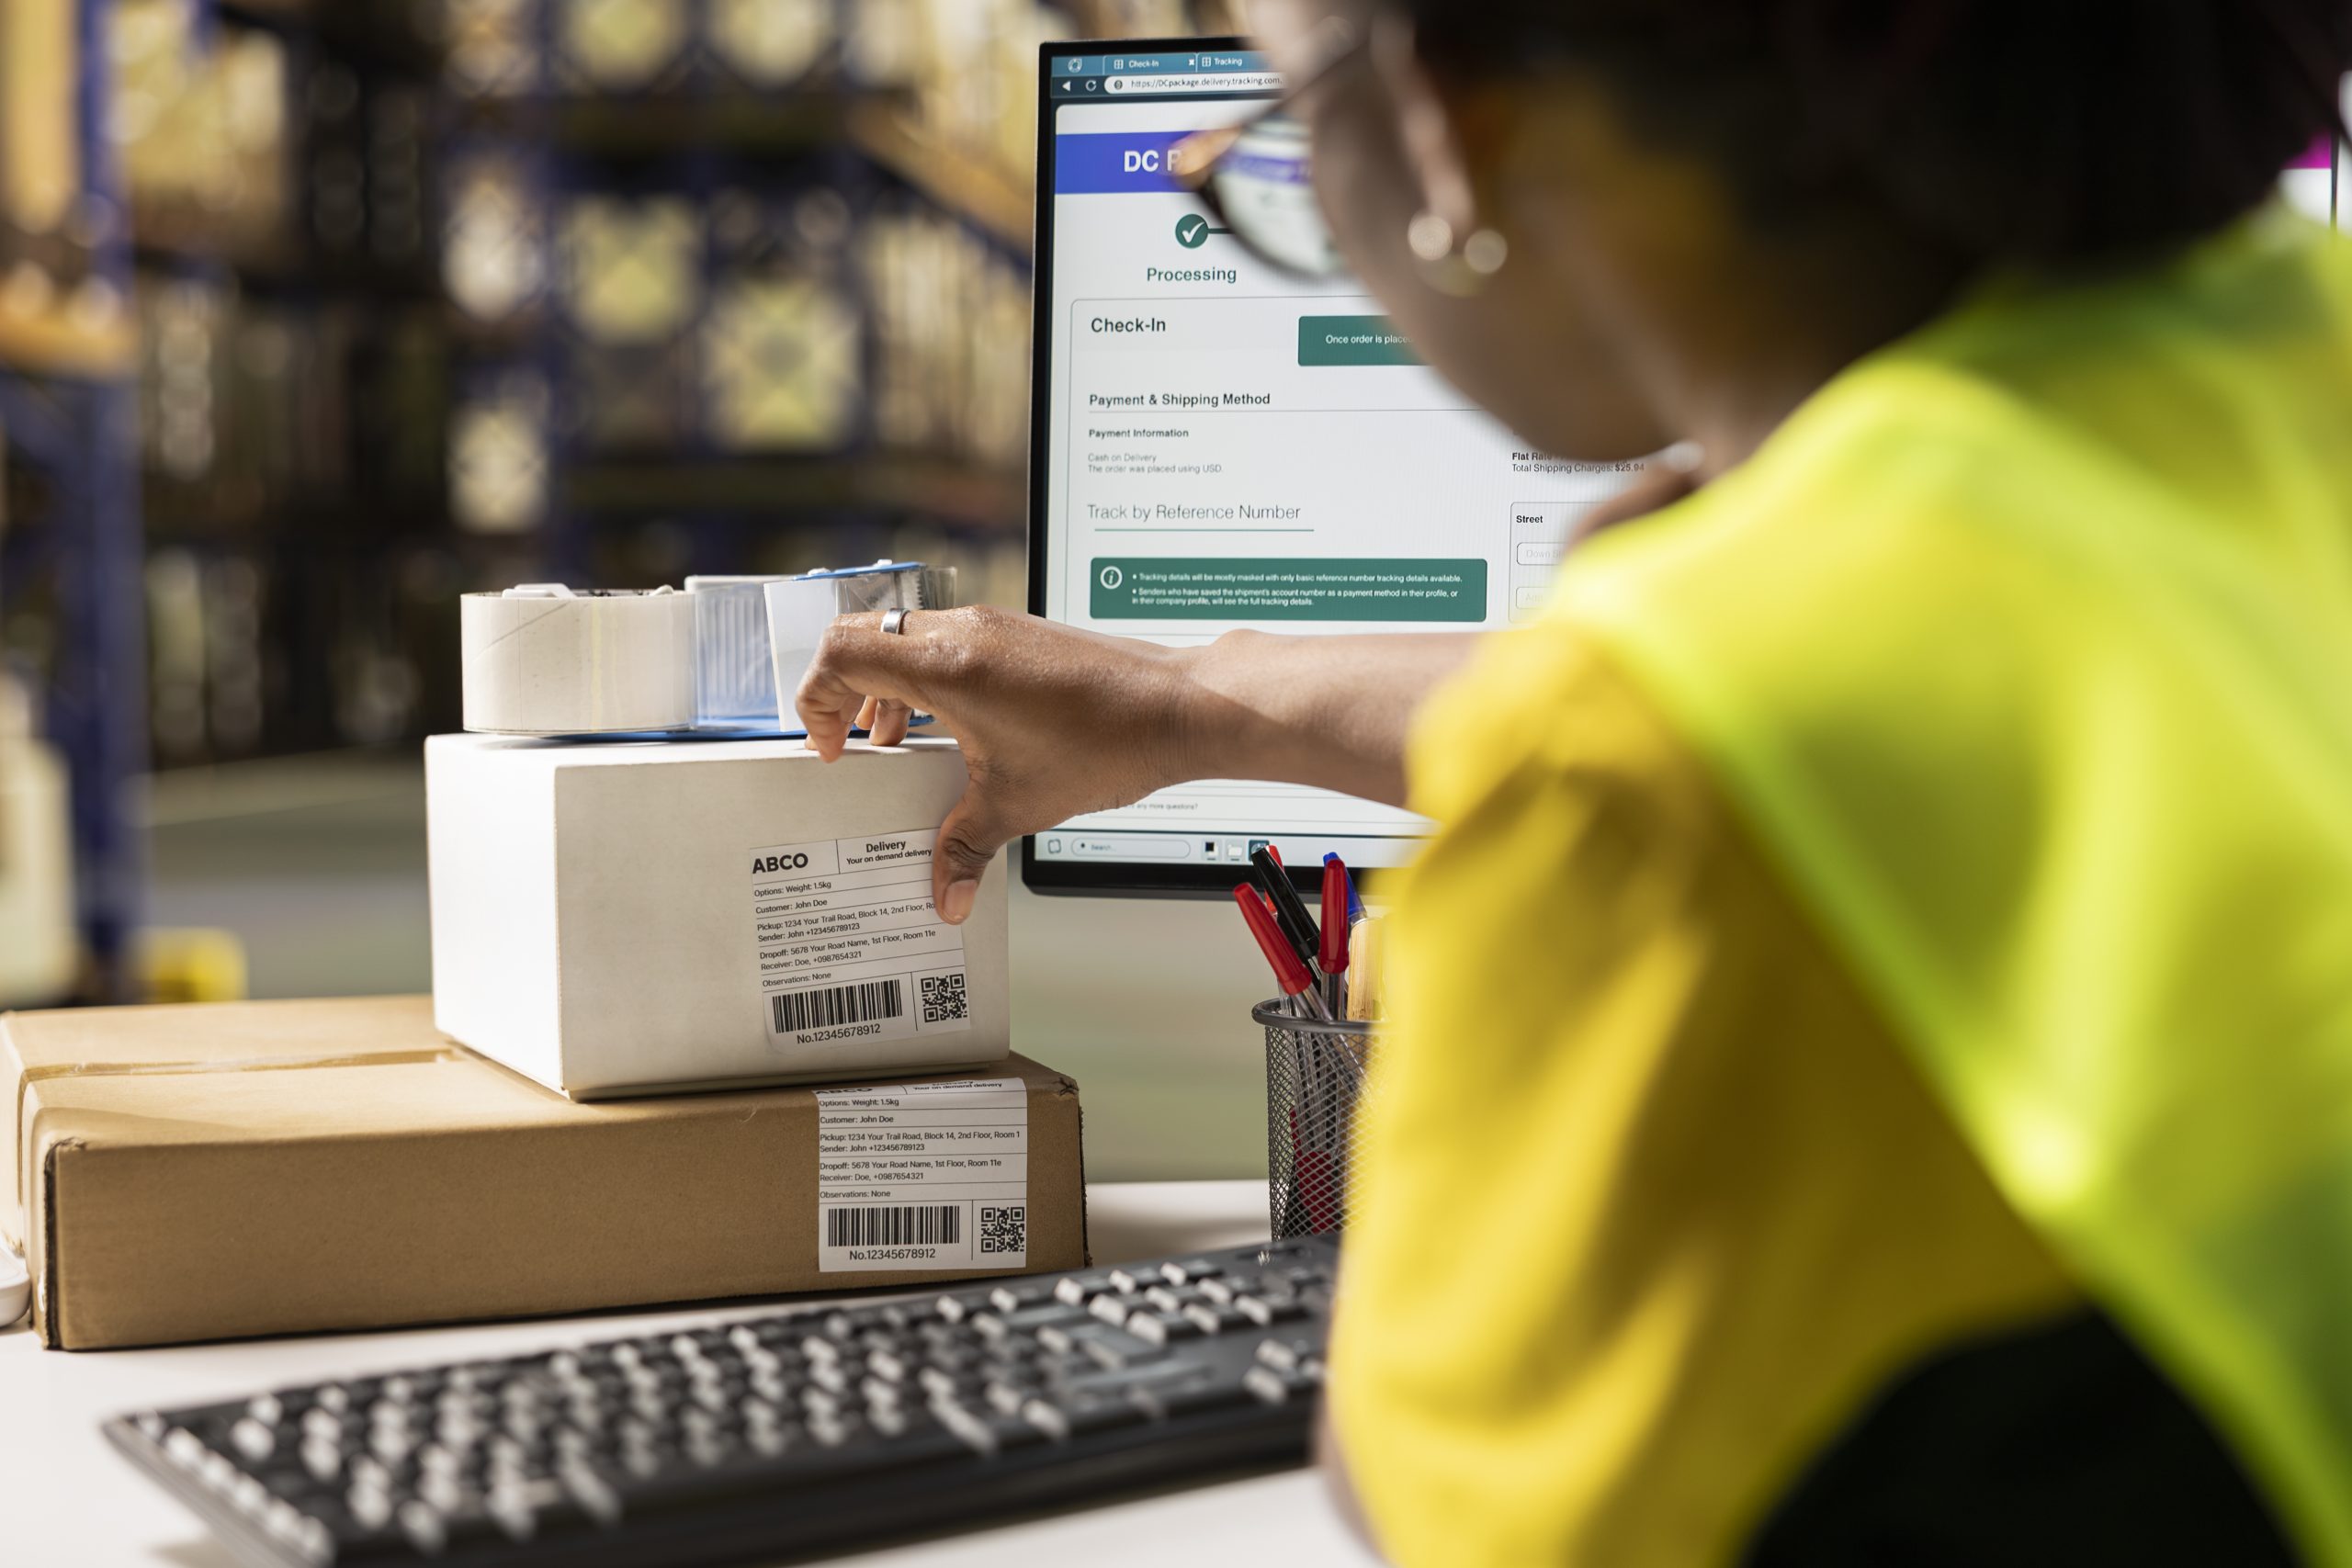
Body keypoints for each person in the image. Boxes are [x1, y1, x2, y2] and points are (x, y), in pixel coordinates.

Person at [800, 1, 2352, 1562]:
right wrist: (1195, 701)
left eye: (1277, 136)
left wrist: (1627, 670)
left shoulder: (1641, 752)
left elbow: (1437, 1498)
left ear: (1445, 130)